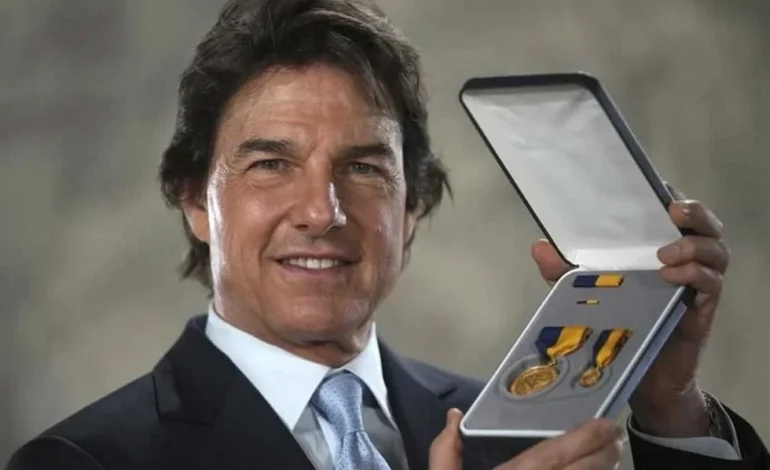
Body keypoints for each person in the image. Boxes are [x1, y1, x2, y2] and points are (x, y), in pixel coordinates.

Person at [7, 0, 768, 469]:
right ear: (194, 202)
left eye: (364, 168)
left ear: (412, 210)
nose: (323, 212)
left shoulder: (517, 433)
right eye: (271, 164)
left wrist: (670, 406)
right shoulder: (83, 462)